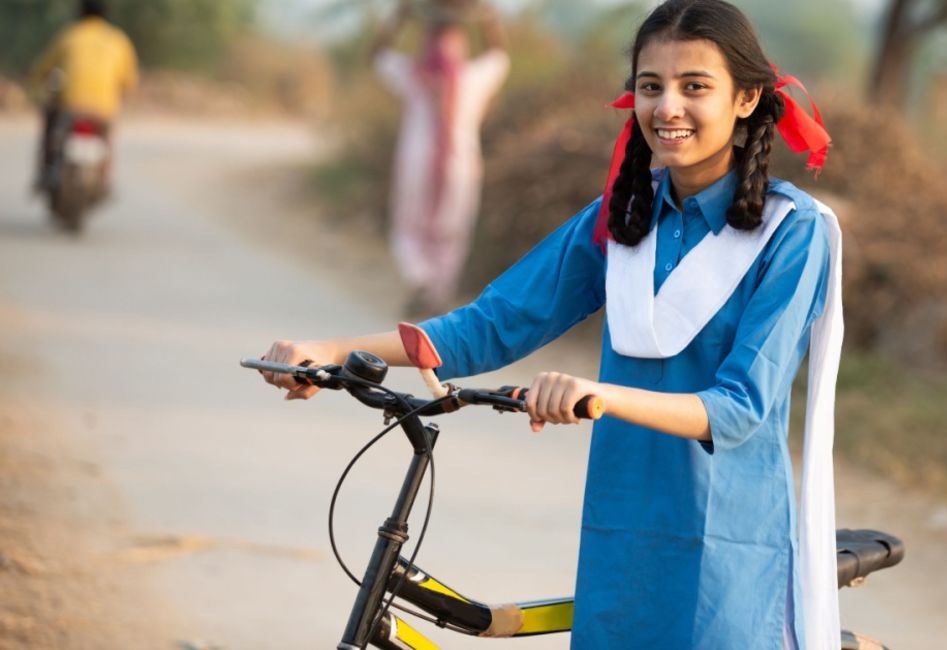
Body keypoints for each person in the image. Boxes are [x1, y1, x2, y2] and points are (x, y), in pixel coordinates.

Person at [259, 1, 842, 647]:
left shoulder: (793, 233)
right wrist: (331, 351)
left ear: (746, 98)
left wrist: (599, 394)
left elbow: (740, 409)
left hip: (726, 536)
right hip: (621, 526)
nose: (668, 107)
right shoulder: (620, 220)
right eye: (651, 86)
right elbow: (489, 326)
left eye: (694, 86)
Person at [371, 0, 509, 315]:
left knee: (411, 225)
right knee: (450, 228)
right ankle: (434, 291)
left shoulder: (414, 77)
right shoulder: (471, 79)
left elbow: (378, 55)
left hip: (418, 165)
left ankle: (422, 283)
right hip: (458, 166)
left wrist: (399, 17)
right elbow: (499, 55)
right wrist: (487, 18)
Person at [28, 0, 138, 192]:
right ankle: (104, 178)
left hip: (71, 105)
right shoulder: (118, 39)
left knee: (51, 125)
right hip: (103, 109)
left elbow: (44, 69)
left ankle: (47, 168)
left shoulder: (69, 36)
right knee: (108, 138)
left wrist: (34, 79)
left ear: (80, 12)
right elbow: (129, 81)